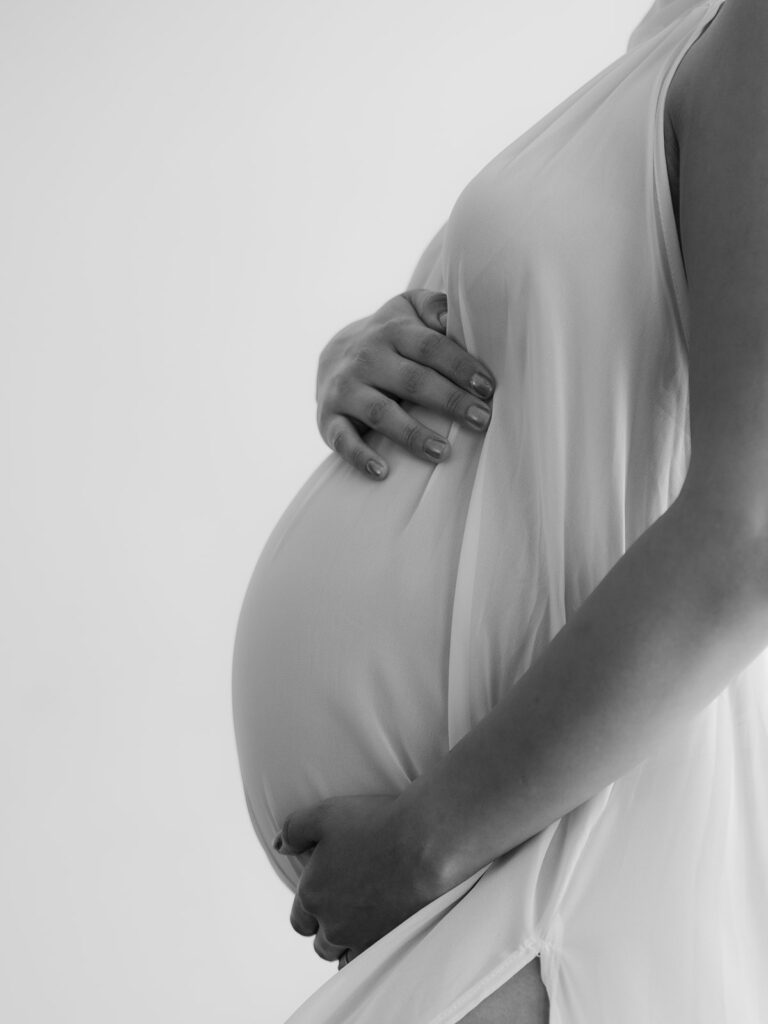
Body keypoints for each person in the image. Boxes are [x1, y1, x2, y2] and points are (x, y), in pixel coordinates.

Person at [231, 0, 768, 1020]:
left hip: (560, 880)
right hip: (509, 878)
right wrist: (356, 356)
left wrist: (422, 842)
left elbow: (753, 531)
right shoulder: (681, 38)